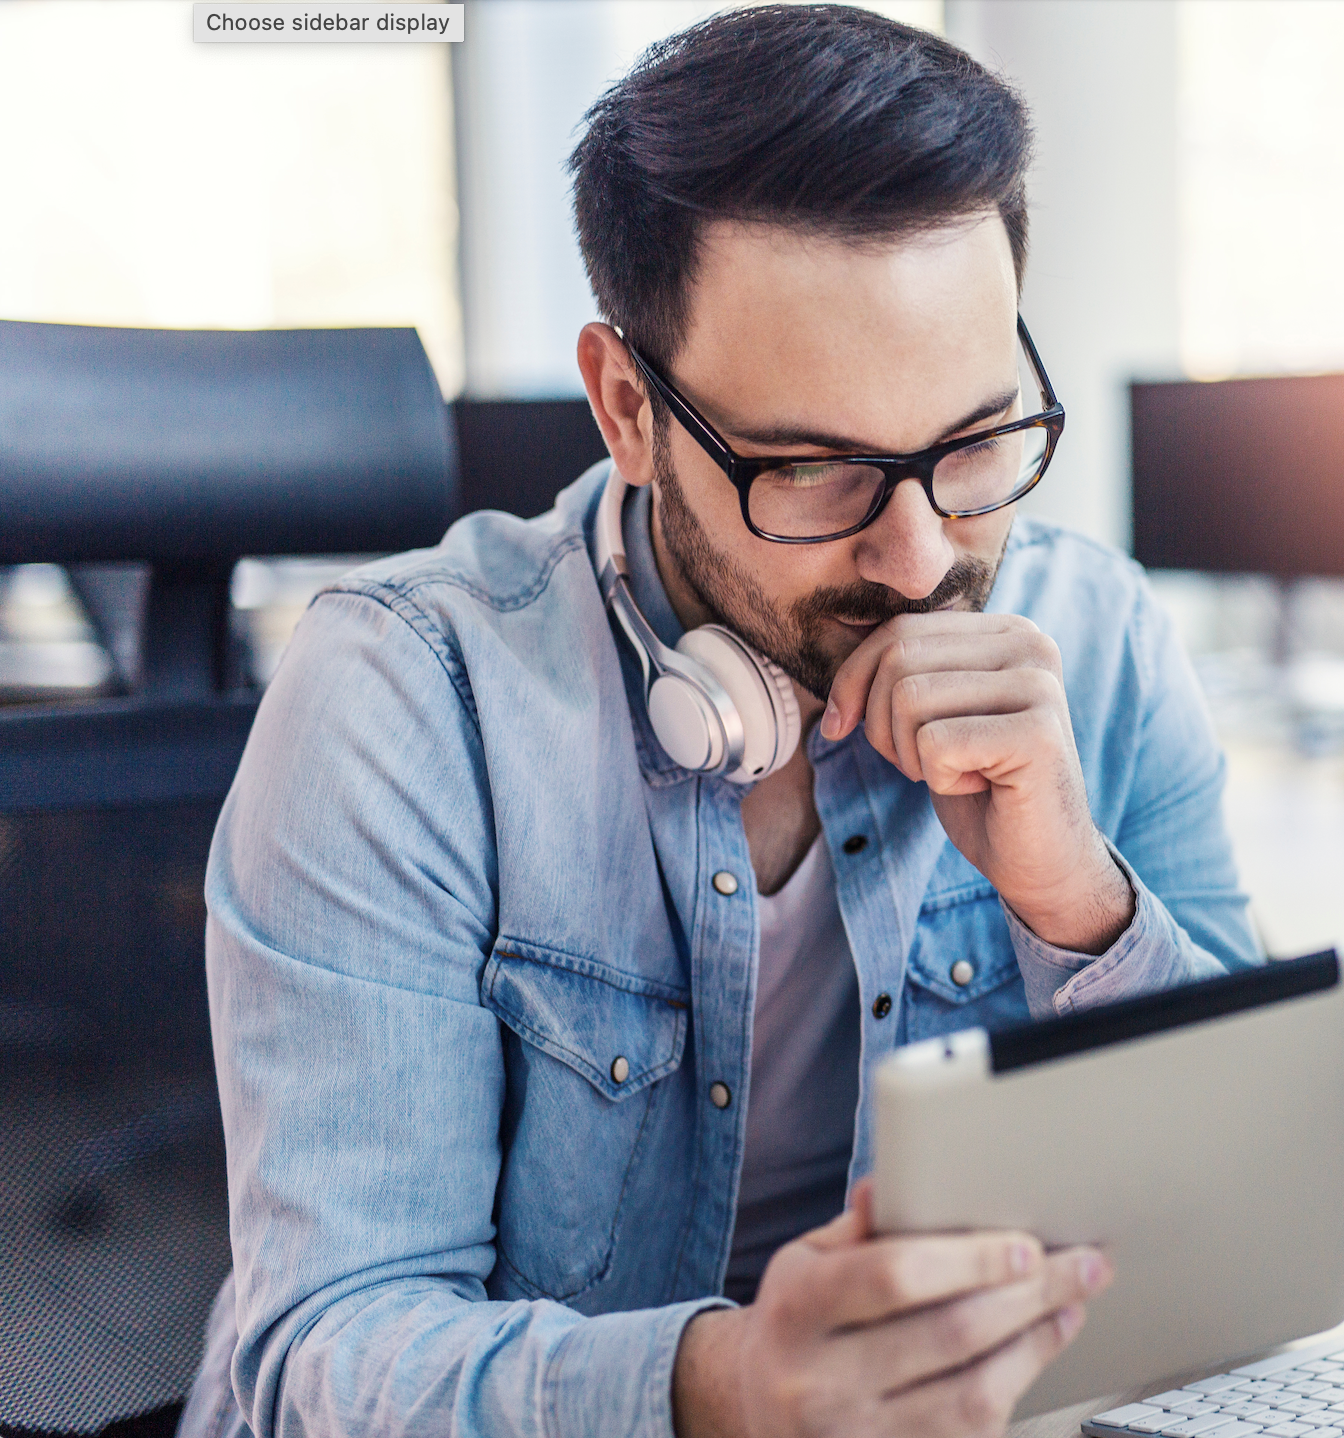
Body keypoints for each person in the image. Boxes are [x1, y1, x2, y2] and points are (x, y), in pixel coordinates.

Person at [176, 6, 1259, 1437]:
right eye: (815, 471)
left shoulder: (1100, 640)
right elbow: (318, 1363)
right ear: (629, 407)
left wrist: (1076, 904)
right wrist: (729, 1388)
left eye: (976, 443)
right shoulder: (403, 702)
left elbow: (1251, 1212)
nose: (923, 557)